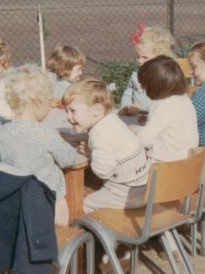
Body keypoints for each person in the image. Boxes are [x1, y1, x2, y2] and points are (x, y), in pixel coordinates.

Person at [0, 64, 78, 226]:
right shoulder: (45, 133)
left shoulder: (3, 132)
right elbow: (68, 159)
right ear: (39, 102)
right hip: (47, 204)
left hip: (16, 202)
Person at [62, 79, 150, 213]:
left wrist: (90, 154)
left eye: (73, 111)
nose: (68, 117)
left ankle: (82, 231)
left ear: (96, 110)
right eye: (66, 111)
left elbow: (103, 171)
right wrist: (74, 137)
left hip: (126, 194)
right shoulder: (111, 120)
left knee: (81, 204)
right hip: (145, 187)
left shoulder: (100, 136)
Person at [133, 55, 198, 162]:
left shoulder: (162, 105)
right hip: (187, 163)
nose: (141, 88)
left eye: (144, 85)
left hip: (165, 164)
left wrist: (134, 128)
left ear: (155, 85)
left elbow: (144, 140)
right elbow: (169, 125)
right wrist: (149, 120)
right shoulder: (183, 98)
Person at [120, 22, 176, 115]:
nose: (140, 61)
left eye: (145, 57)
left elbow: (163, 104)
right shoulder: (135, 74)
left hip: (155, 118)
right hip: (135, 116)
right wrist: (126, 107)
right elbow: (128, 94)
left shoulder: (163, 77)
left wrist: (140, 107)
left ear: (160, 57)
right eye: (138, 56)